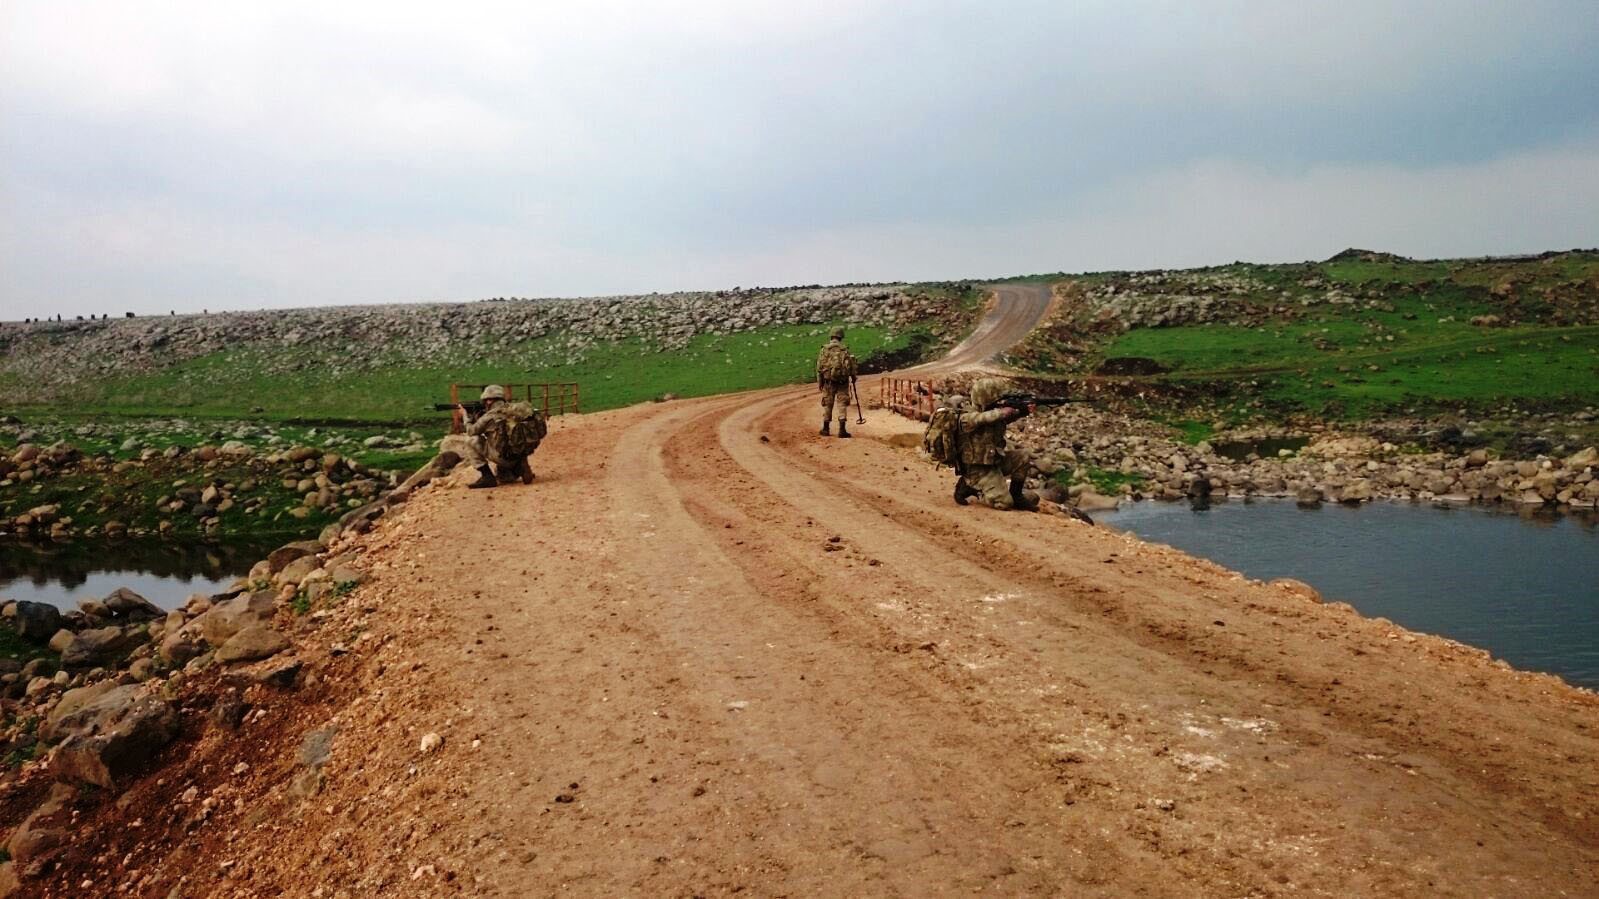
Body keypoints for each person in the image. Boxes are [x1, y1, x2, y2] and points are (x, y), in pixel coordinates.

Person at [953, 378, 1039, 511]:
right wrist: (1003, 411)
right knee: (1004, 503)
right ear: (985, 399)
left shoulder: (994, 413)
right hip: (976, 469)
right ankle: (968, 485)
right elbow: (982, 419)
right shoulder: (967, 416)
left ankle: (1017, 496)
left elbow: (1004, 418)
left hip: (993, 462)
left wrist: (1024, 411)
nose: (1000, 402)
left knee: (1024, 456)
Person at [450, 385, 545, 489]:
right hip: (520, 453)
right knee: (503, 477)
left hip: (502, 456)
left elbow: (471, 431)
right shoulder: (514, 411)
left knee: (471, 440)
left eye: (486, 400)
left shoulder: (490, 415)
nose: (485, 403)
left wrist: (465, 416)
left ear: (490, 400)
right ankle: (519, 466)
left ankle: (487, 477)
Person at [815, 327, 858, 437]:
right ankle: (842, 430)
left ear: (831, 336)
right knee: (842, 404)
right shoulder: (844, 349)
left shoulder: (824, 349)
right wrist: (853, 377)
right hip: (842, 381)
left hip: (828, 382)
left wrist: (820, 382)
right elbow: (851, 366)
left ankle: (826, 429)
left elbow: (819, 367)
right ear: (841, 337)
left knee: (828, 404)